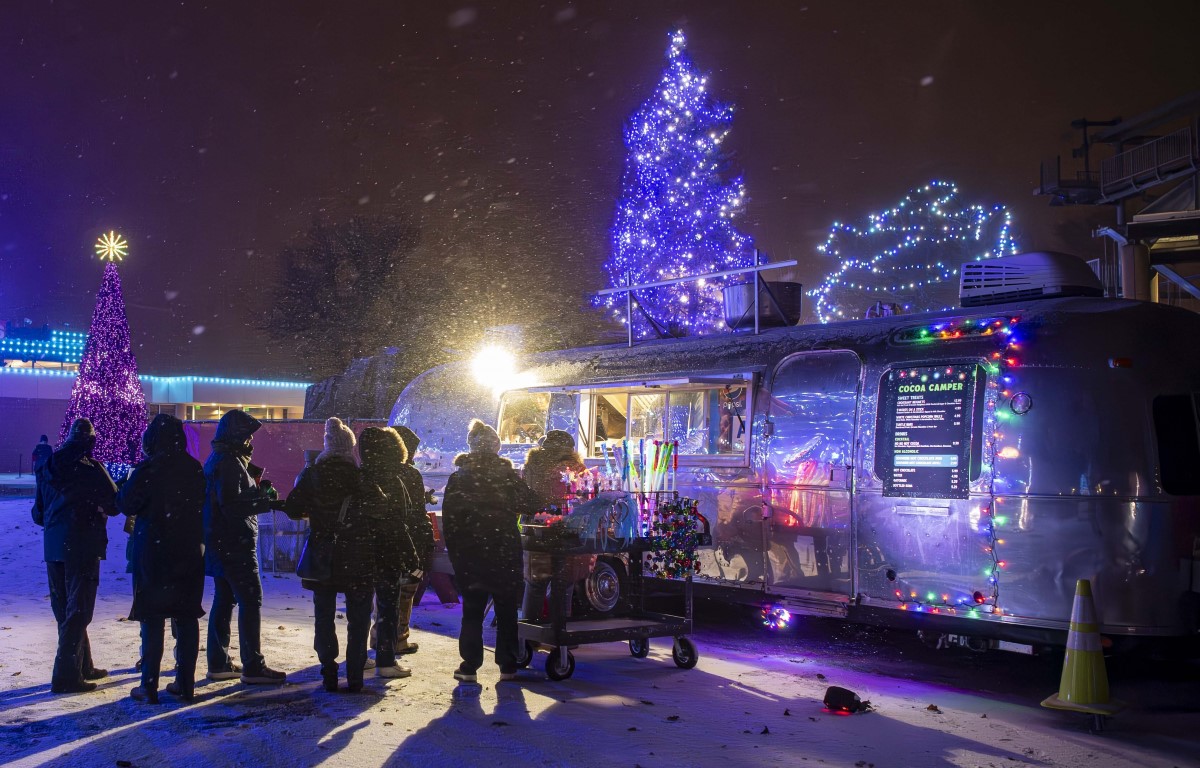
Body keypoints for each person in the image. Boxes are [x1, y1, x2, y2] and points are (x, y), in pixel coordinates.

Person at [116, 414, 206, 704]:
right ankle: (185, 683)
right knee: (187, 616)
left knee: (152, 618)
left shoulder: (147, 469)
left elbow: (127, 504)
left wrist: (124, 485)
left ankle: (149, 685)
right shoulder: (193, 468)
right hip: (188, 551)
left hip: (154, 553)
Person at [285, 418, 375, 692]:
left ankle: (328, 671)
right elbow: (379, 507)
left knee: (323, 614)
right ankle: (356, 675)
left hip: (323, 552)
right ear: (351, 447)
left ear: (326, 446)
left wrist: (316, 513)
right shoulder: (360, 476)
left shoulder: (313, 474)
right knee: (358, 617)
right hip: (357, 554)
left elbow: (292, 507)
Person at [441, 419, 533, 683]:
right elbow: (528, 502)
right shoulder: (507, 476)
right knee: (506, 610)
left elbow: (450, 520)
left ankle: (469, 665)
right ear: (496, 448)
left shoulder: (459, 477)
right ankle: (508, 665)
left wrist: (457, 552)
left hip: (471, 553)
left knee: (472, 610)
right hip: (503, 550)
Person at [31, 418, 118, 693]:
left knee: (64, 609)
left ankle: (82, 664)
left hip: (54, 547)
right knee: (79, 611)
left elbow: (37, 513)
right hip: (83, 545)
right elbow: (115, 504)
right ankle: (67, 675)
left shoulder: (48, 466)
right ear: (90, 441)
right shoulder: (92, 470)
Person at [203, 409, 286, 684]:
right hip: (235, 543)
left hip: (222, 542)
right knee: (250, 600)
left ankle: (219, 662)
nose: (251, 440)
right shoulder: (229, 462)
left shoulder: (223, 459)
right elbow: (231, 505)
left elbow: (228, 500)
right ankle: (253, 665)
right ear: (237, 435)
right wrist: (265, 502)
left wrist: (257, 493)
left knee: (224, 600)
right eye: (248, 435)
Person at [369, 425, 434, 658]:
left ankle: (378, 635)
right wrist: (426, 540)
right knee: (405, 591)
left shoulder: (371, 471)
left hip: (376, 541)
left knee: (382, 592)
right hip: (406, 540)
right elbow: (416, 511)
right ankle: (399, 638)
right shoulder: (408, 474)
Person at [521, 430, 588, 620]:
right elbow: (583, 497)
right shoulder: (575, 467)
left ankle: (529, 633)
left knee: (535, 582)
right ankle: (560, 635)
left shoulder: (531, 466)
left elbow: (523, 495)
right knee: (564, 584)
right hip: (567, 529)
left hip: (535, 529)